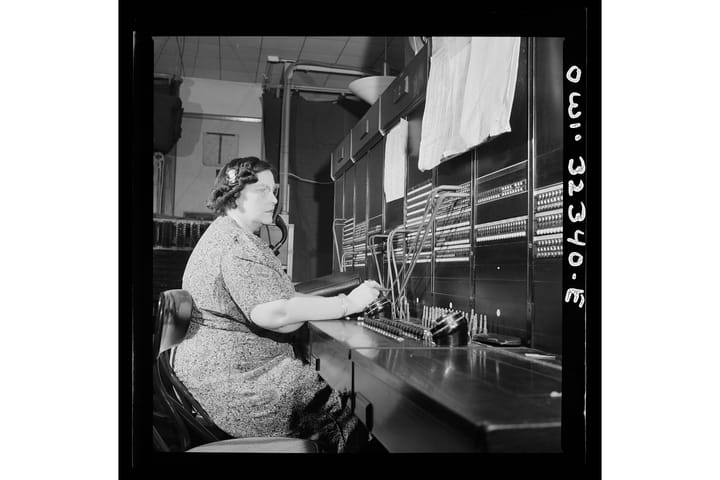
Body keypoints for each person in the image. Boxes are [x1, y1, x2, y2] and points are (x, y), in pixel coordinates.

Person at [172, 156, 382, 453]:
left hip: (229, 376)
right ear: (233, 196)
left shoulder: (233, 235)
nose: (273, 199)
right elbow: (274, 312)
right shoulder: (235, 245)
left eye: (275, 190)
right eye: (262, 191)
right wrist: (347, 303)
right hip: (237, 387)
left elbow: (284, 299)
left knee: (328, 395)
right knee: (347, 424)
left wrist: (343, 302)